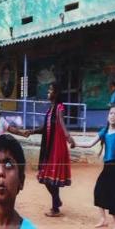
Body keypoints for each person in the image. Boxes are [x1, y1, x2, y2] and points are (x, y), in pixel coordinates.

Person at [35, 84, 74, 217]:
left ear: (56, 93)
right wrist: (31, 131)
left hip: (56, 148)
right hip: (48, 148)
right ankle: (56, 202)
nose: (48, 92)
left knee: (51, 179)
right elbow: (44, 128)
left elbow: (62, 123)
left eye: (50, 90)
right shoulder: (49, 109)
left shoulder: (59, 108)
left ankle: (55, 207)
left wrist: (69, 138)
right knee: (45, 178)